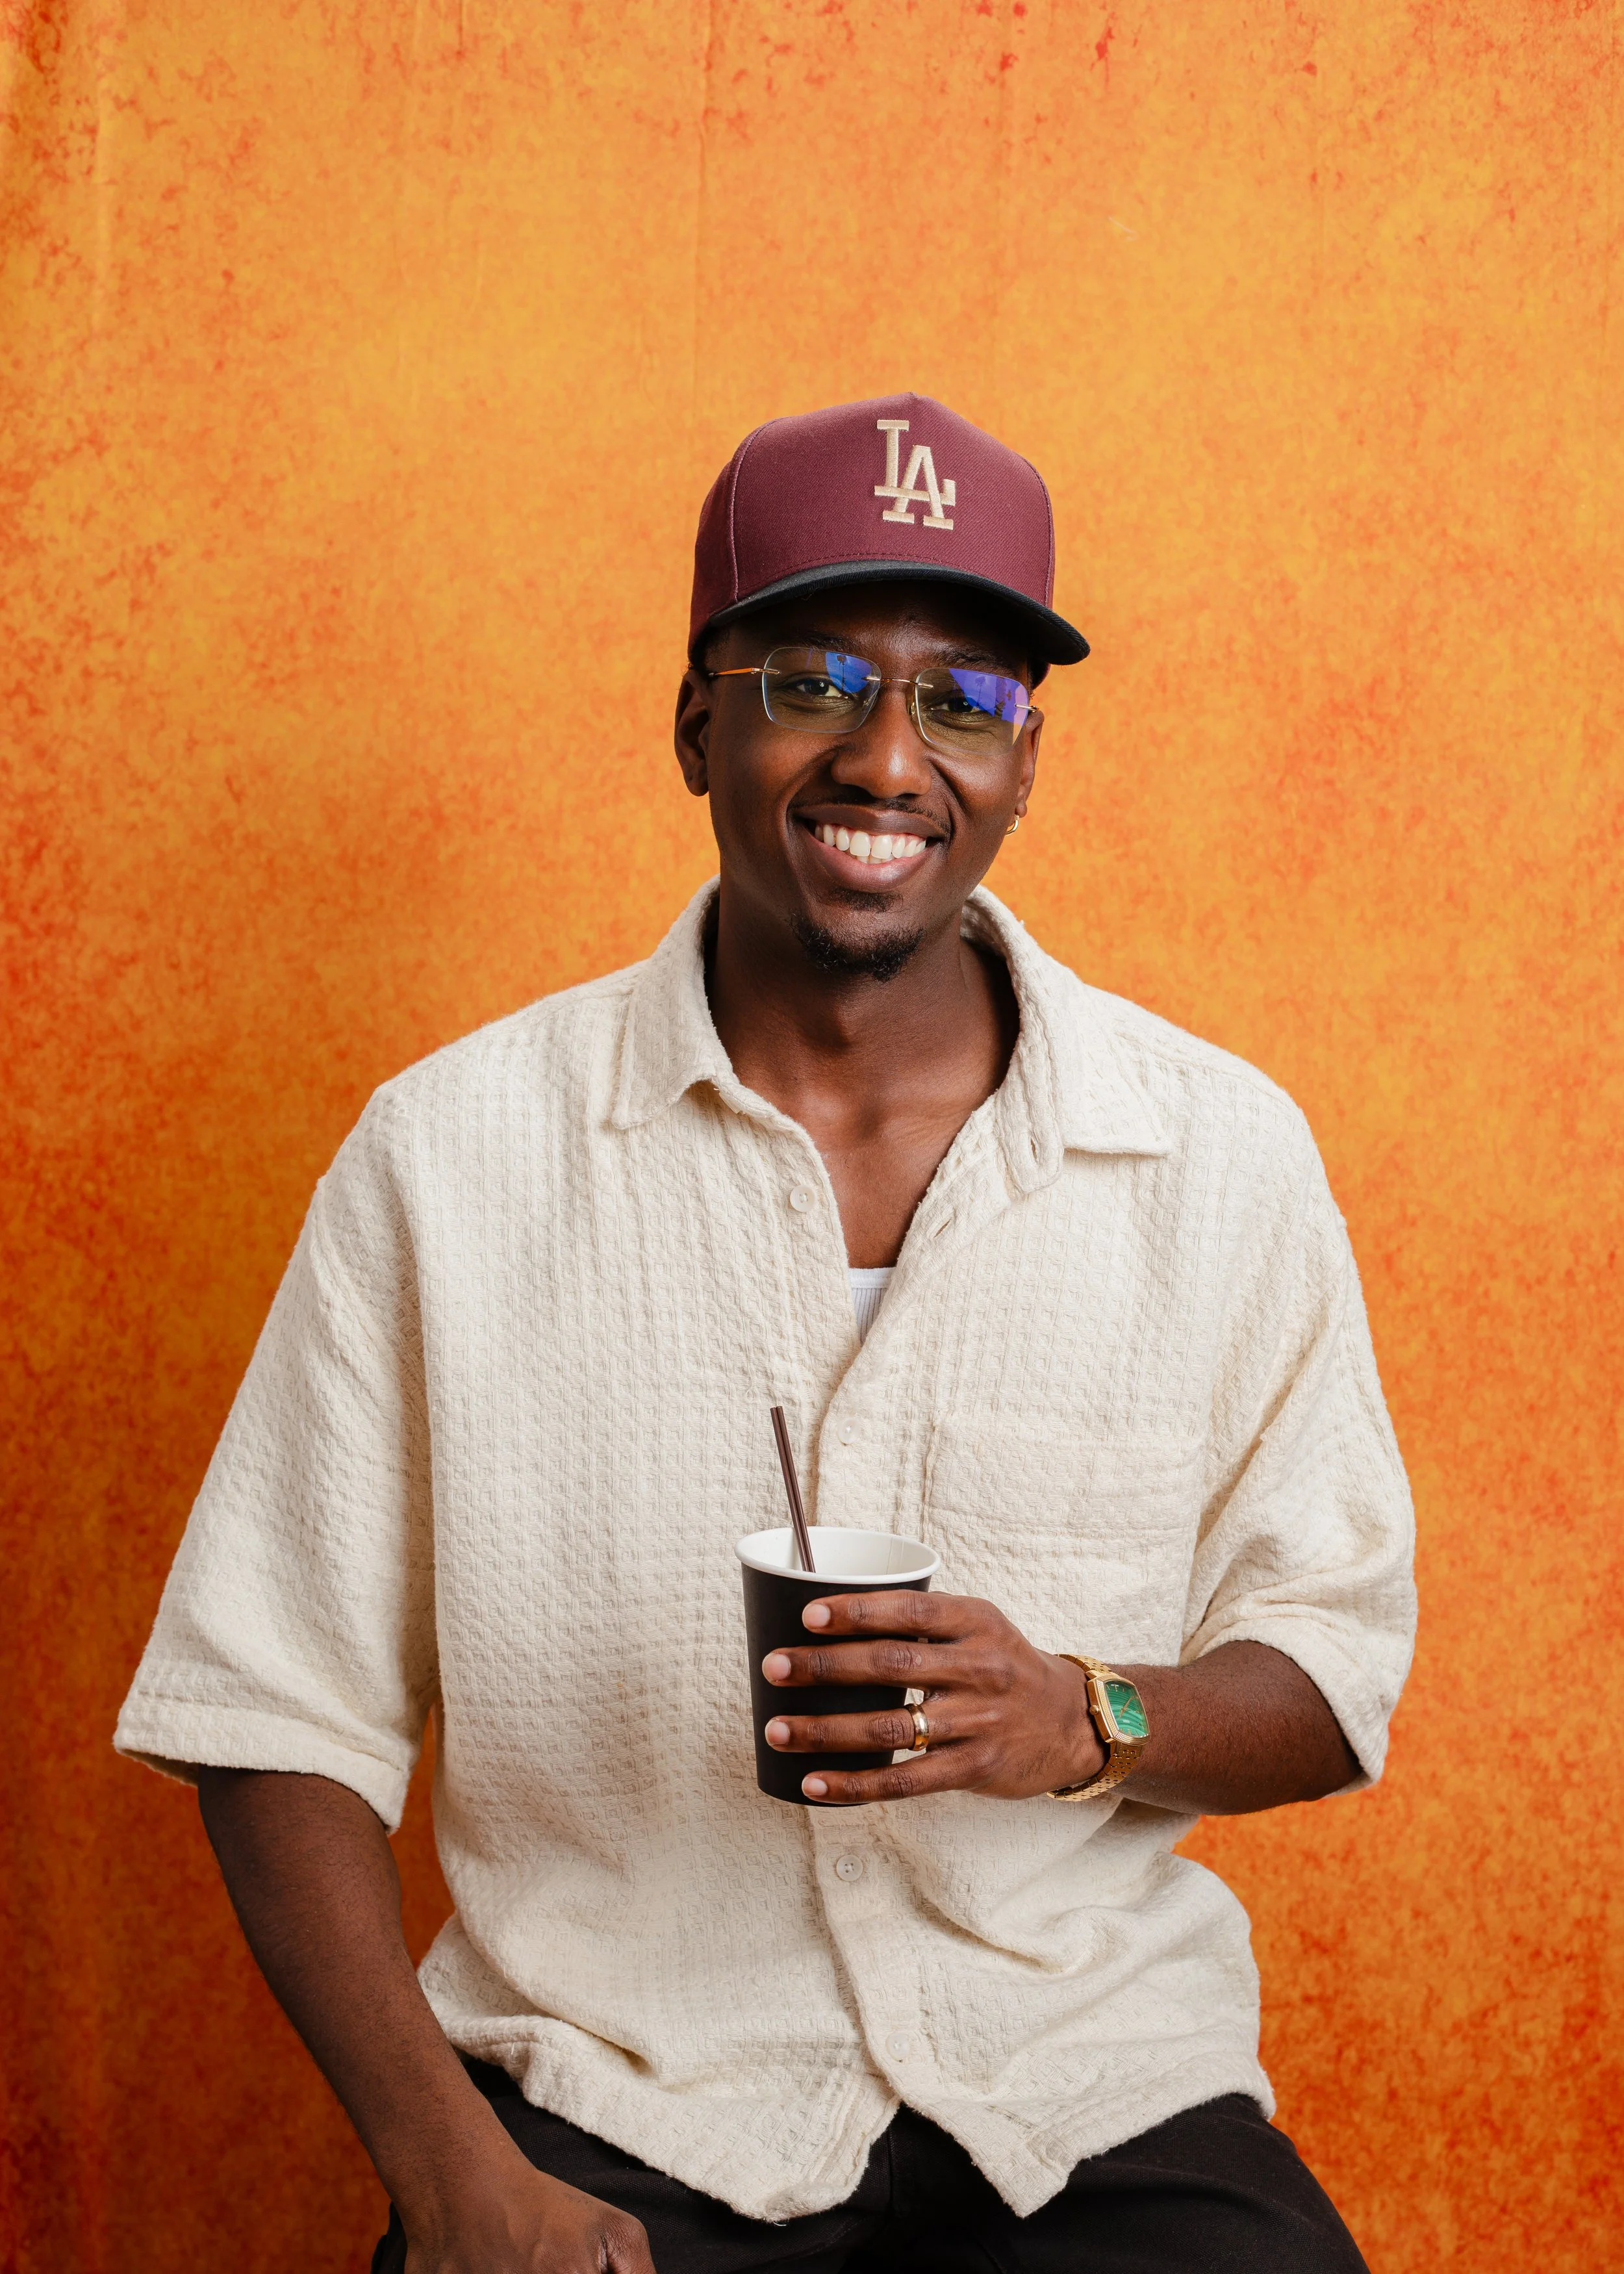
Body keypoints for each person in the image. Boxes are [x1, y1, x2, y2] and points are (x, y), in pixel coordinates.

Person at [117, 393, 1415, 2273]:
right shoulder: (451, 1156)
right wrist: (447, 2173)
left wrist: (1083, 1714)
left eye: (964, 699)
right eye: (811, 680)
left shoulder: (1219, 1153)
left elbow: (1329, 1669)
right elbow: (269, 1717)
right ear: (691, 725)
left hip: (1084, 2087)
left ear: (1025, 762)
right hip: (621, 2086)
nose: (888, 757)